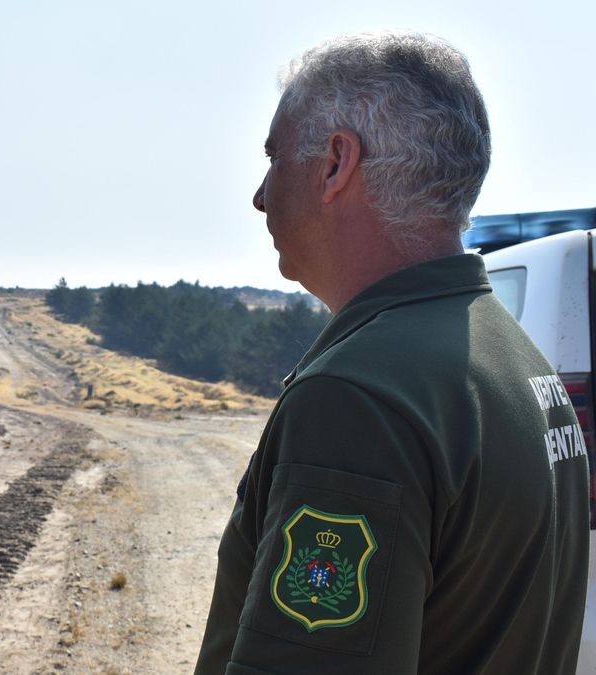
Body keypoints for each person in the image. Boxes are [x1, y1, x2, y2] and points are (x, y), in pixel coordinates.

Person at [194, 32, 589, 674]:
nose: (261, 195)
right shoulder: (522, 361)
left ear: (335, 163)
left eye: (274, 158)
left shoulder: (359, 397)